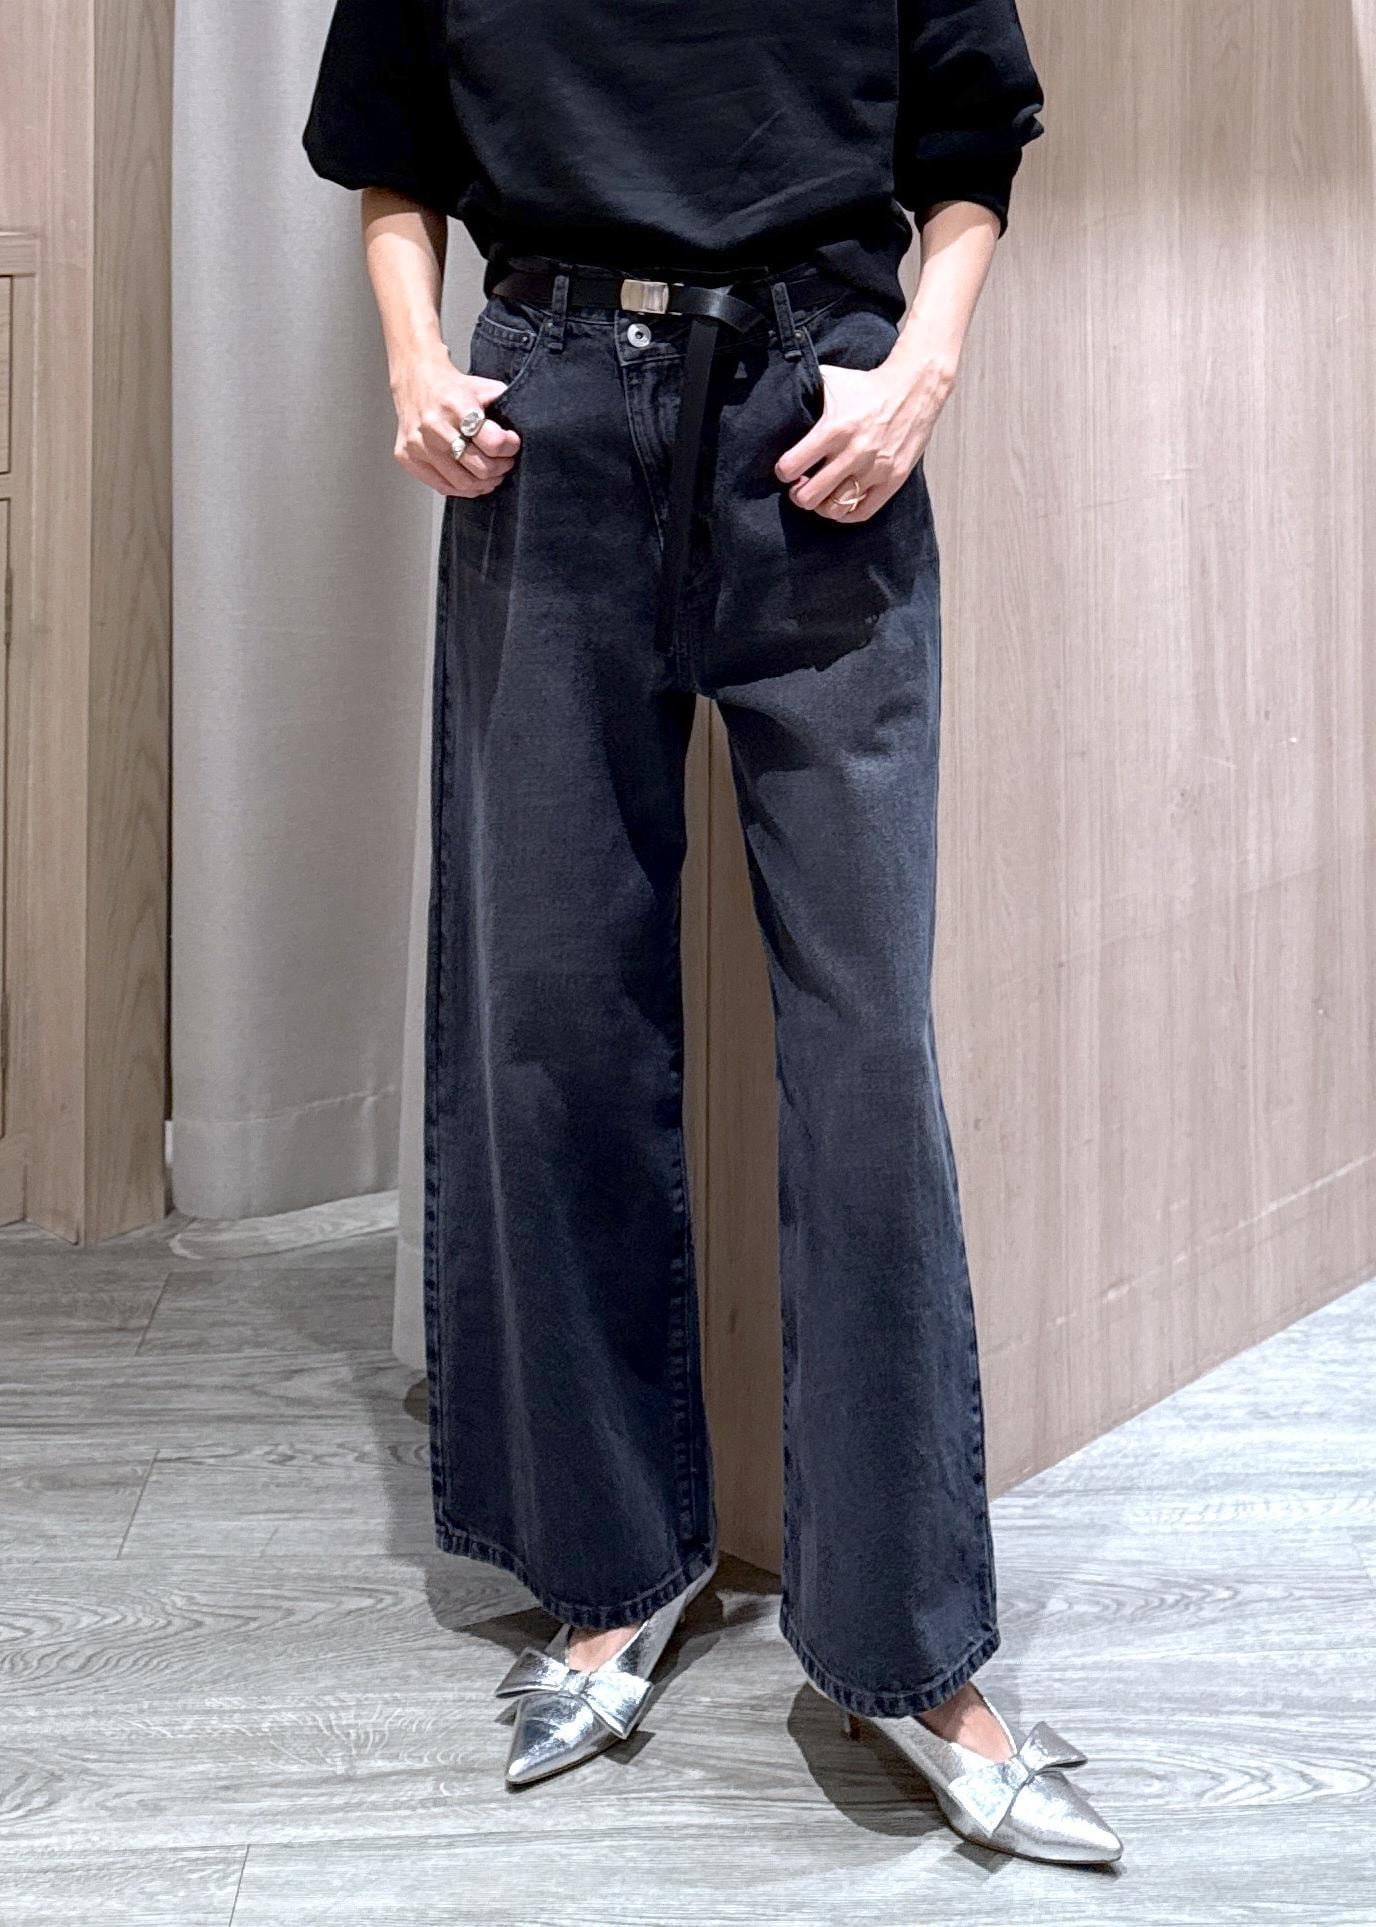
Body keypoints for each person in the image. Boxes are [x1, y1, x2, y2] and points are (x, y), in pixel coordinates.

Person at [303, 0, 1122, 1865]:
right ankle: (614, 1568)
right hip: (548, 426)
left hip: (818, 422)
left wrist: (919, 372)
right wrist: (417, 358)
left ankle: (909, 1650)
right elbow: (388, 156)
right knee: (551, 1019)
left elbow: (969, 153)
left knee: (864, 1049)